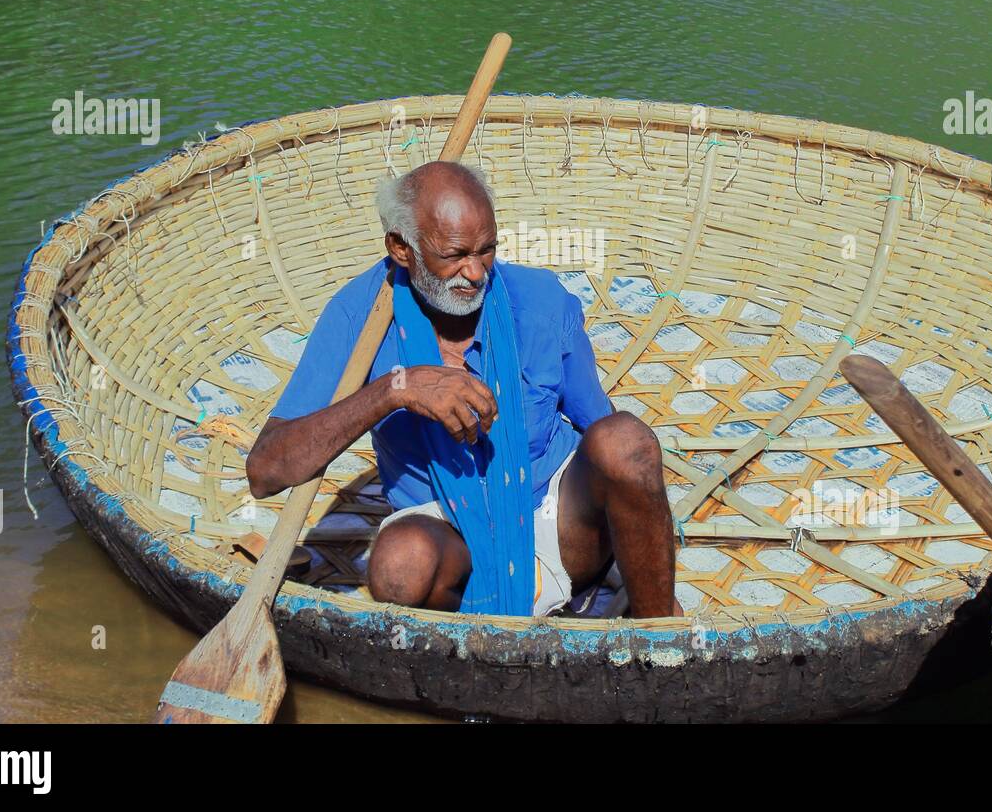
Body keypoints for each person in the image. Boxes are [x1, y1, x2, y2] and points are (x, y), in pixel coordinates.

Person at [246, 161, 681, 618]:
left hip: (558, 520)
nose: (475, 273)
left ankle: (656, 633)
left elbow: (608, 436)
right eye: (454, 255)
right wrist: (396, 389)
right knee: (399, 565)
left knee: (626, 442)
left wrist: (647, 553)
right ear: (401, 248)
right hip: (449, 534)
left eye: (487, 249)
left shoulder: (539, 299)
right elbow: (265, 471)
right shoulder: (360, 316)